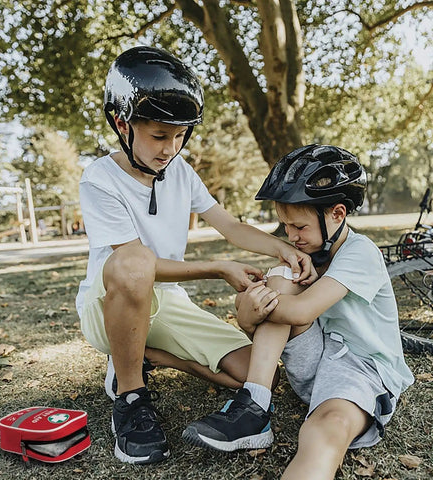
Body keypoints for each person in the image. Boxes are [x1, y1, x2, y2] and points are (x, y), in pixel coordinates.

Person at [75, 46, 315, 466]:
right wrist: (218, 266)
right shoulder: (99, 178)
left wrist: (281, 247)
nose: (171, 148)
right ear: (121, 124)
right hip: (110, 302)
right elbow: (138, 264)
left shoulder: (181, 171)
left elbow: (229, 225)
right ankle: (131, 396)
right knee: (135, 263)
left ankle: (150, 356)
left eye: (180, 135)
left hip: (168, 305)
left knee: (260, 372)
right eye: (159, 135)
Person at [182, 144, 414, 480]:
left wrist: (247, 306)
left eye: (300, 227)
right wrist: (249, 310)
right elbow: (275, 320)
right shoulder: (305, 255)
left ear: (337, 213)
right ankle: (255, 405)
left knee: (325, 430)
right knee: (282, 276)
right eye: (285, 226)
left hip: (362, 370)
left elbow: (302, 309)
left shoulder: (360, 251)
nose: (291, 236)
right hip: (316, 360)